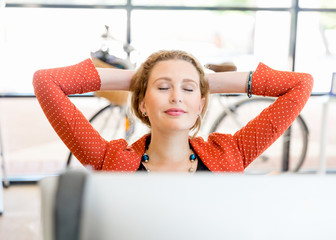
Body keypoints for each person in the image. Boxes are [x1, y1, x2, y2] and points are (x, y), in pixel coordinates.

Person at [33, 50, 313, 173]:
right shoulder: (110, 160)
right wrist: (137, 79)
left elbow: (301, 84)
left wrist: (207, 83)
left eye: (188, 90)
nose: (177, 96)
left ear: (201, 103)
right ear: (142, 102)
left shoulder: (231, 153)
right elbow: (46, 81)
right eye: (163, 87)